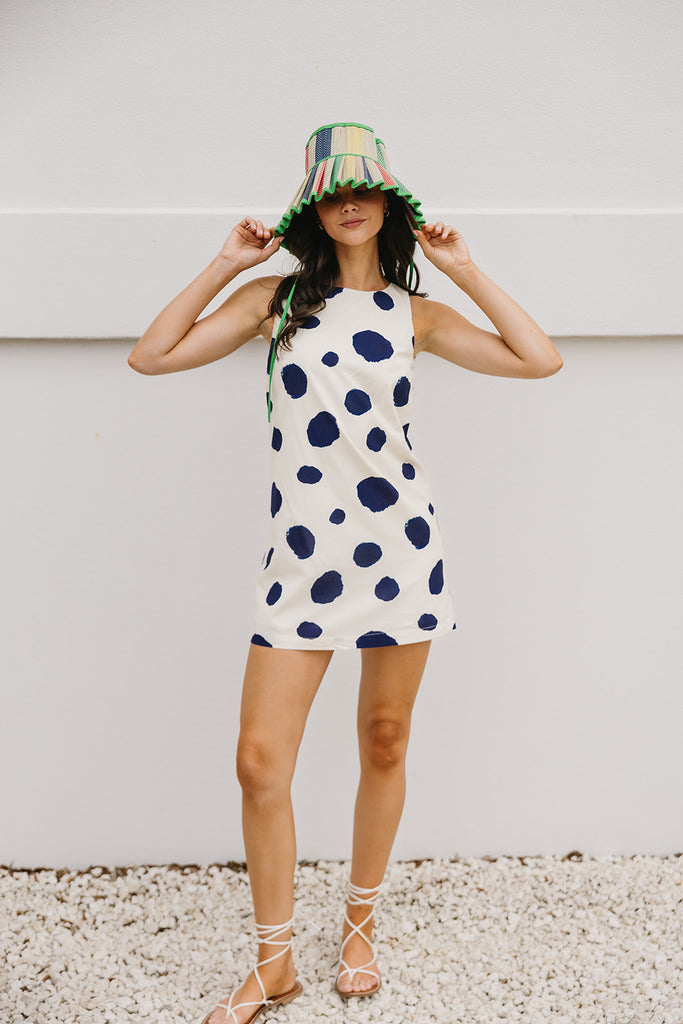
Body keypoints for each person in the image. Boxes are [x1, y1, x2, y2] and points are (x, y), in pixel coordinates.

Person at [128, 121, 563, 1024]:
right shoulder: (276, 301)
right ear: (313, 211)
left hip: (400, 550)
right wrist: (224, 265)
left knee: (385, 740)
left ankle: (359, 927)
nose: (350, 203)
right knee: (258, 763)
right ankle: (274, 964)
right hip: (302, 562)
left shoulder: (415, 315)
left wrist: (463, 270)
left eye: (366, 190)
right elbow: (152, 354)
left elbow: (539, 360)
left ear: (390, 207)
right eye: (332, 192)